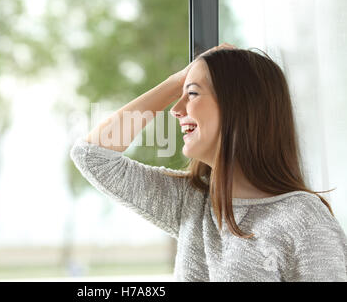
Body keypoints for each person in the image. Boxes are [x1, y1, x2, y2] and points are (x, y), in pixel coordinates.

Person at [69, 43, 347, 281]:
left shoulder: (303, 219)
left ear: (238, 106)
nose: (175, 110)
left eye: (191, 94)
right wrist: (178, 80)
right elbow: (93, 156)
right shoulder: (193, 201)